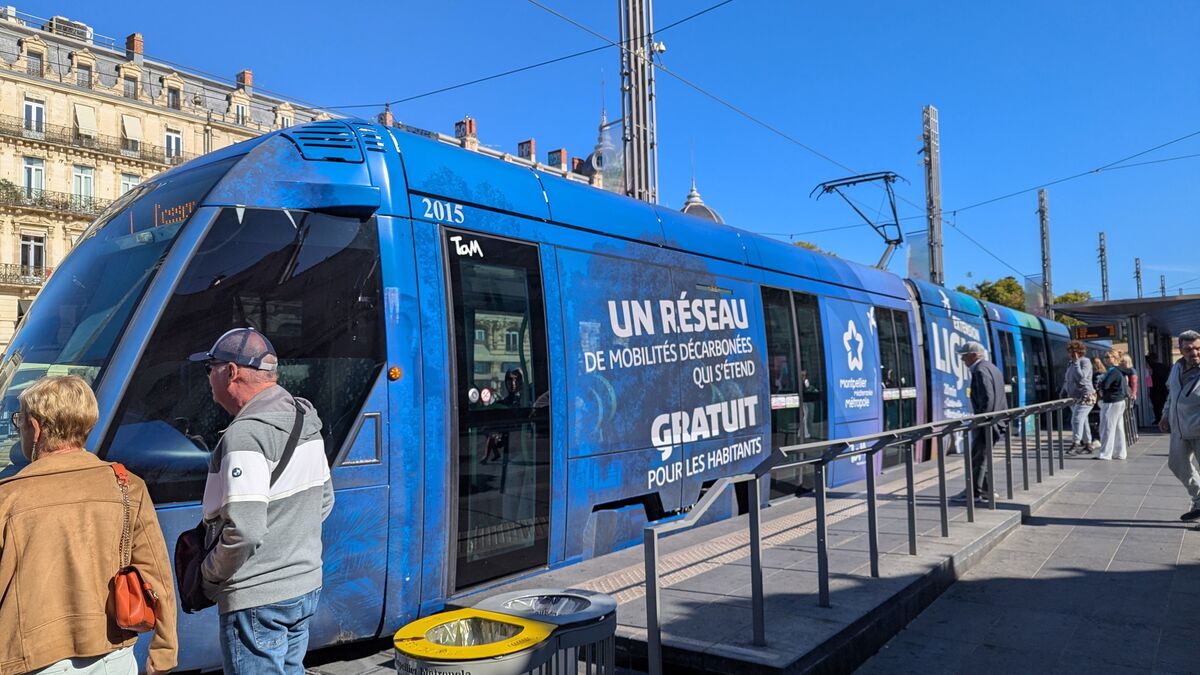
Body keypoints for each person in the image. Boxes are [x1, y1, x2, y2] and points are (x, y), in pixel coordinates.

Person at [0, 376, 177, 674]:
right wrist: (165, 650)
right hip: (113, 655)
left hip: (30, 659)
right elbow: (157, 576)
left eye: (20, 421)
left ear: (36, 427)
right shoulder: (127, 486)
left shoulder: (8, 496)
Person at [189, 328, 334, 674]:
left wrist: (208, 577)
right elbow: (325, 501)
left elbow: (246, 531)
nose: (208, 377)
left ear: (232, 372)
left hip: (258, 598)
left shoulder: (245, 435)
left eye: (210, 367)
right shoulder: (304, 420)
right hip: (304, 586)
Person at [952, 341, 1005, 502]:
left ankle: (974, 493)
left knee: (978, 457)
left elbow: (987, 398)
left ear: (974, 355)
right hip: (996, 420)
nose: (962, 360)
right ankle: (986, 490)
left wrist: (980, 419)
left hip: (987, 422)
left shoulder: (980, 371)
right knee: (983, 456)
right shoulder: (992, 367)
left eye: (964, 356)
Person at [1160, 330, 1200, 522]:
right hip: (1179, 427)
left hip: (1199, 428)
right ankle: (1199, 498)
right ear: (1180, 349)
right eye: (1189, 349)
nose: (1194, 353)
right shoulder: (1176, 367)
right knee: (1177, 464)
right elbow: (1172, 394)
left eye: (1198, 348)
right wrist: (1165, 414)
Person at [1061, 340, 1095, 454]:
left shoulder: (1085, 362)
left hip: (1086, 395)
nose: (1071, 354)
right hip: (1074, 396)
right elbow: (1068, 379)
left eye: (1073, 351)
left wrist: (1076, 362)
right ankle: (1088, 444)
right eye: (1069, 351)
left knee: (1076, 419)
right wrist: (1063, 390)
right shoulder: (1070, 363)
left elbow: (1082, 377)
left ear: (1079, 351)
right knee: (1083, 420)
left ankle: (1075, 443)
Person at [1095, 349, 1129, 461]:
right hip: (1119, 401)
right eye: (1105, 357)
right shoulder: (1120, 370)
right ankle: (1120, 452)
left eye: (1108, 357)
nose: (1106, 359)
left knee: (1107, 427)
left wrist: (1099, 386)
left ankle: (1105, 453)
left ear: (1115, 358)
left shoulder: (1112, 371)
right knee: (1119, 428)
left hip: (1111, 401)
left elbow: (1104, 385)